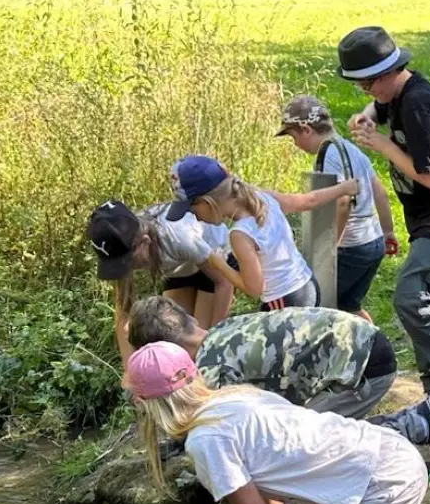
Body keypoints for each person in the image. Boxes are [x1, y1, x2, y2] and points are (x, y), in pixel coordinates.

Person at [125, 341, 430, 504]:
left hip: (385, 479)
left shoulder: (206, 440)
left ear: (147, 405)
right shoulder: (237, 396)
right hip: (375, 460)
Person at [340, 26, 430, 393]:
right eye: (360, 88)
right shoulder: (396, 91)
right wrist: (365, 114)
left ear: (390, 72)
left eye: (368, 86)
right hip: (429, 215)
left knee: (411, 297)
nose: (366, 93)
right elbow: (380, 106)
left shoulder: (419, 105)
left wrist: (382, 144)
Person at [126, 295, 397, 419]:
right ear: (191, 319)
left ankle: (408, 431)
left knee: (307, 441)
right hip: (365, 342)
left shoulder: (212, 372)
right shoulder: (226, 327)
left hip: (364, 369)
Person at [166, 154, 356, 310]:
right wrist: (343, 188)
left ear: (207, 203)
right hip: (307, 285)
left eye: (192, 210)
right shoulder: (261, 197)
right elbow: (307, 201)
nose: (195, 218)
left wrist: (218, 263)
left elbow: (255, 288)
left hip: (284, 301)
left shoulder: (239, 235)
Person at [276, 94, 399, 321]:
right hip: (372, 243)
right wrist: (388, 233)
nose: (295, 144)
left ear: (306, 129)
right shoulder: (349, 149)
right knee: (349, 305)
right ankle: (374, 350)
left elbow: (342, 201)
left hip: (351, 246)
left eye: (293, 137)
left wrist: (331, 246)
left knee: (318, 305)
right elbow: (379, 192)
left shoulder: (328, 155)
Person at [88, 200, 236, 361]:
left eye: (127, 261)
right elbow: (123, 307)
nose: (124, 268)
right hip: (180, 267)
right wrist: (130, 370)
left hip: (216, 261)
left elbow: (224, 282)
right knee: (170, 342)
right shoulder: (121, 242)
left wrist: (214, 339)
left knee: (196, 348)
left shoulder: (179, 237)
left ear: (145, 241)